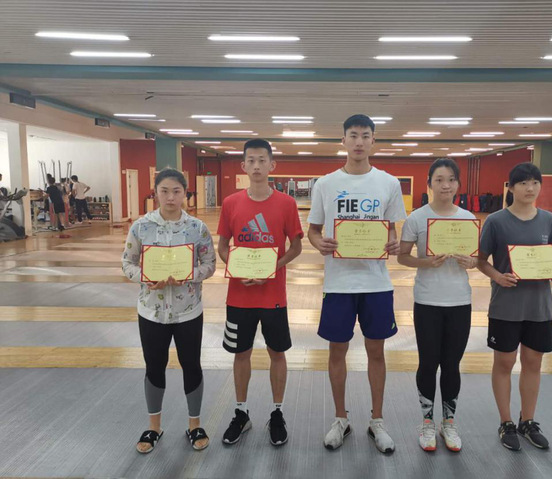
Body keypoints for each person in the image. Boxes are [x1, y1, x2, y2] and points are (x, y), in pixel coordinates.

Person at [307, 114, 407, 453]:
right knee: (337, 351)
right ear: (344, 140)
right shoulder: (325, 184)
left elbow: (392, 229)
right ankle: (341, 418)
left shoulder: (388, 183)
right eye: (353, 135)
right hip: (338, 284)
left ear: (373, 141)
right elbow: (313, 230)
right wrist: (319, 243)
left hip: (376, 283)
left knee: (376, 351)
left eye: (366, 135)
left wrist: (393, 243)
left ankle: (377, 420)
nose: (359, 141)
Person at [122, 168, 216, 454]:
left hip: (188, 311)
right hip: (151, 312)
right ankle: (154, 426)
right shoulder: (141, 227)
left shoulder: (197, 228)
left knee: (192, 365)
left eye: (176, 191)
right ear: (156, 193)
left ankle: (194, 424)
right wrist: (145, 277)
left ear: (185, 193)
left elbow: (210, 264)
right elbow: (128, 263)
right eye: (164, 191)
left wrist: (188, 275)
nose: (171, 197)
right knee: (154, 366)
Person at [477, 162, 552, 451]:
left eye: (535, 183)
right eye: (523, 183)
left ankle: (527, 421)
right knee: (504, 363)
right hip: (506, 306)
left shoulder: (549, 221)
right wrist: (497, 277)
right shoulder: (496, 221)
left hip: (539, 307)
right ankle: (506, 423)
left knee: (533, 363)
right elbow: (481, 261)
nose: (530, 188)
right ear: (511, 187)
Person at [217, 139, 303, 447]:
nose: (256, 166)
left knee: (277, 353)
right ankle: (241, 412)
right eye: (251, 160)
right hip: (238, 297)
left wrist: (271, 268)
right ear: (243, 166)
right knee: (241, 353)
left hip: (273, 297)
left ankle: (277, 413)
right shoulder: (231, 203)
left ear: (271, 165)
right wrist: (237, 269)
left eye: (262, 160)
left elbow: (296, 246)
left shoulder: (286, 204)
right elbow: (223, 246)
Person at [397, 158, 476, 452]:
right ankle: (427, 422)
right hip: (427, 300)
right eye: (439, 179)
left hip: (460, 301)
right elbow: (403, 256)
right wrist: (425, 262)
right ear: (429, 183)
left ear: (458, 184)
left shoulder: (468, 218)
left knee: (452, 364)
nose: (446, 185)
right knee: (428, 362)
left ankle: (449, 423)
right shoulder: (417, 218)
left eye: (451, 179)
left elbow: (477, 258)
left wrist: (472, 262)